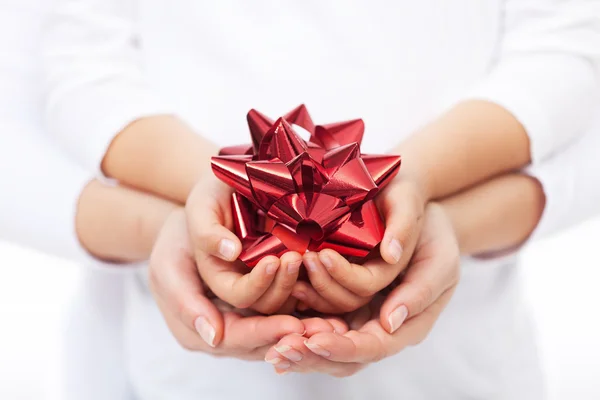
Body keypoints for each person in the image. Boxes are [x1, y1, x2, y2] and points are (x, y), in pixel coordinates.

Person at [0, 0, 596, 398]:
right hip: (163, 376)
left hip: (462, 374)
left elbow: (567, 50)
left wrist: (437, 205)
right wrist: (194, 210)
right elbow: (75, 66)